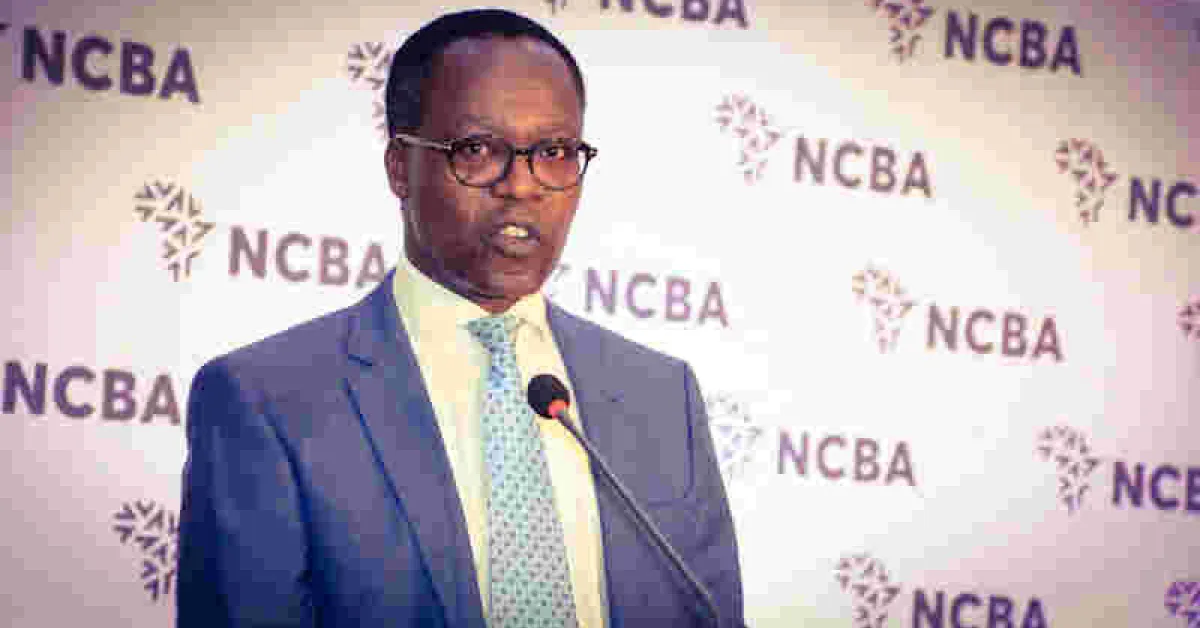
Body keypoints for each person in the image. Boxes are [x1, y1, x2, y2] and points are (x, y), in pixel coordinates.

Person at [176, 8, 743, 628]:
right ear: (400, 167)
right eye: (477, 150)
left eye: (554, 152)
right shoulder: (268, 402)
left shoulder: (661, 397)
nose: (522, 186)